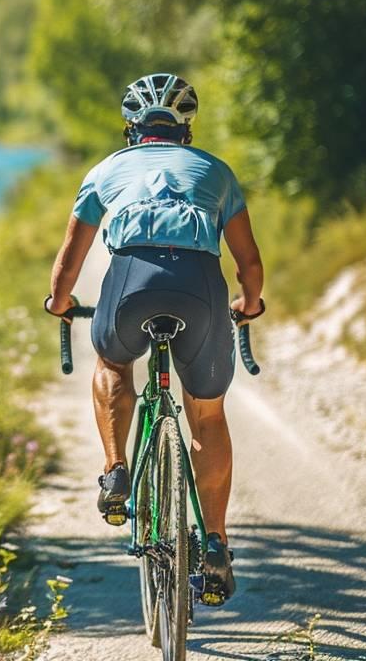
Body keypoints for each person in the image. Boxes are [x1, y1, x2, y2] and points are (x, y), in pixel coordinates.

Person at [43, 73, 265, 605]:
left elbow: (69, 262)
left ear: (131, 126)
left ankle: (115, 471)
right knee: (207, 414)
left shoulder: (106, 170)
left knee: (114, 364)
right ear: (186, 126)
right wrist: (249, 304)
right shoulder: (215, 171)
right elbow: (249, 264)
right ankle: (214, 545)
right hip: (201, 288)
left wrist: (60, 302)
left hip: (131, 284)